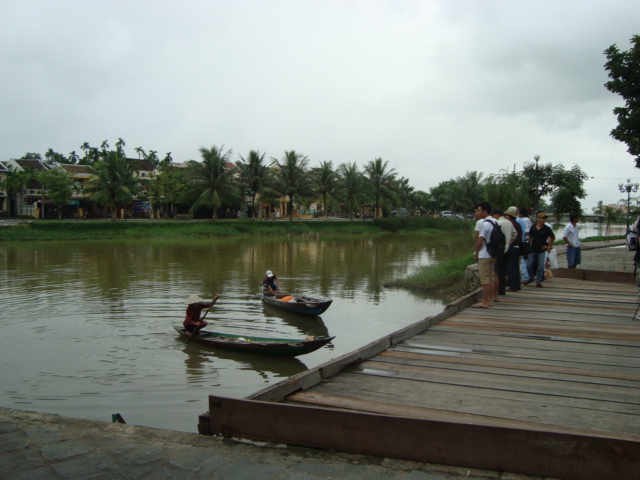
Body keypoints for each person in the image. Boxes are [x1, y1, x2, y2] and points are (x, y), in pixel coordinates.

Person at [472, 201, 497, 308]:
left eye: (479, 210)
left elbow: (480, 240)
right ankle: (489, 300)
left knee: (485, 279)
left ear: (485, 211)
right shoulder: (495, 221)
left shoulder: (485, 223)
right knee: (491, 277)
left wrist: (477, 252)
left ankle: (484, 302)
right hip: (492, 253)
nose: (478, 212)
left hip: (484, 255)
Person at [524, 212, 555, 287]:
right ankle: (531, 277)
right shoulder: (533, 227)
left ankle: (538, 281)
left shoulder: (546, 229)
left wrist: (549, 246)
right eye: (542, 218)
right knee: (529, 265)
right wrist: (528, 244)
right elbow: (530, 236)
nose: (544, 220)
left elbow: (552, 237)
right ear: (538, 219)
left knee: (540, 267)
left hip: (541, 251)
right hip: (533, 250)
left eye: (545, 218)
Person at [493, 208, 516, 297]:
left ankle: (498, 290)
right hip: (508, 249)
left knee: (497, 271)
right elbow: (515, 234)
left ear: (496, 215)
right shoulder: (509, 222)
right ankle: (502, 289)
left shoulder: (498, 223)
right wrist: (510, 242)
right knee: (503, 270)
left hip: (499, 250)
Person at [504, 206, 523, 292]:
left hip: (514, 247)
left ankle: (513, 286)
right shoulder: (517, 224)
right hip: (517, 247)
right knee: (515, 267)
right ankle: (516, 285)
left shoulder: (513, 224)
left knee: (512, 267)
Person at [517, 207, 532, 282]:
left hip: (525, 242)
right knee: (524, 260)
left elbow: (526, 231)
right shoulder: (525, 219)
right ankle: (526, 276)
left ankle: (525, 277)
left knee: (523, 261)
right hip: (525, 241)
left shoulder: (525, 220)